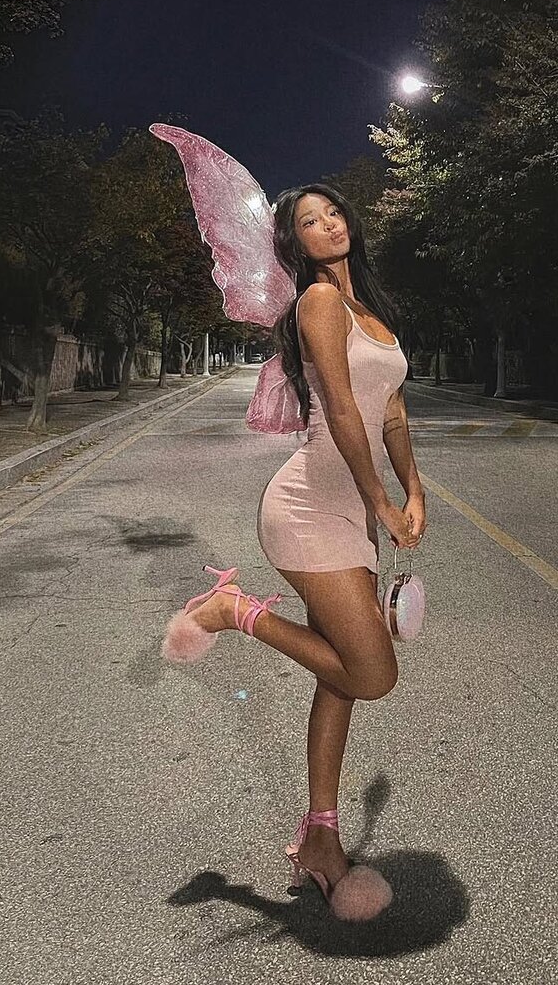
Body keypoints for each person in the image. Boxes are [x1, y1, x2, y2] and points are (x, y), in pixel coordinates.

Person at [162, 183, 426, 922]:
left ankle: (321, 841)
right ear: (295, 243)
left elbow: (391, 411)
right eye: (310, 221)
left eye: (334, 211)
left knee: (338, 678)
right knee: (371, 674)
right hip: (310, 506)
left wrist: (413, 490)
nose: (329, 225)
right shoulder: (318, 302)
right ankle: (232, 610)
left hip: (353, 512)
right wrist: (379, 500)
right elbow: (340, 409)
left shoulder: (372, 311)